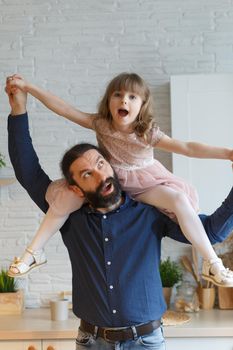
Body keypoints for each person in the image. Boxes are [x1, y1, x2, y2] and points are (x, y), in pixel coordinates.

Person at [6, 87, 233, 350]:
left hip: (146, 342)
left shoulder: (149, 211)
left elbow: (211, 232)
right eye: (87, 174)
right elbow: (28, 172)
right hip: (91, 342)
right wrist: (18, 110)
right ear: (75, 189)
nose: (101, 175)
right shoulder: (69, 217)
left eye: (101, 164)